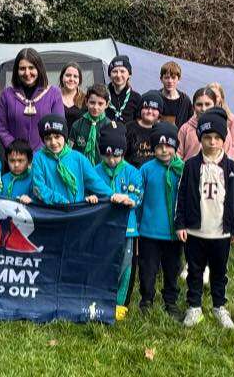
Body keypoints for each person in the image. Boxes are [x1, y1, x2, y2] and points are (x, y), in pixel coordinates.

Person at [175, 109, 234, 329]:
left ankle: (219, 305)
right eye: (207, 138)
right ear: (200, 139)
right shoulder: (191, 166)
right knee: (194, 270)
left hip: (221, 231)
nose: (212, 142)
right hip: (196, 231)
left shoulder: (231, 167)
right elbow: (182, 195)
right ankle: (194, 307)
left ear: (223, 139)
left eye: (217, 138)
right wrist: (181, 223)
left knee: (219, 271)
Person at [94, 123, 142, 321]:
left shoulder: (132, 172)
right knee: (102, 263)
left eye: (116, 155)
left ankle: (119, 303)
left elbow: (138, 195)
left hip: (127, 229)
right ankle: (100, 299)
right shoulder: (95, 171)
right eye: (107, 155)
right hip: (102, 228)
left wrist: (129, 199)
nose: (112, 160)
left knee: (125, 265)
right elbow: (91, 192)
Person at [137, 122, 184, 317]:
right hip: (149, 231)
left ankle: (170, 300)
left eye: (168, 146)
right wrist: (138, 225)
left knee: (172, 268)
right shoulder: (146, 169)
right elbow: (138, 198)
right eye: (159, 146)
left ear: (176, 146)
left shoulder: (183, 169)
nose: (164, 150)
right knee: (148, 268)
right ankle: (146, 298)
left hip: (173, 232)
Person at [31, 114, 113, 205]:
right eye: (48, 138)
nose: (53, 142)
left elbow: (95, 182)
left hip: (75, 212)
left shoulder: (78, 158)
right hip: (51, 212)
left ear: (64, 136)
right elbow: (38, 188)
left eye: (57, 137)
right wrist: (62, 201)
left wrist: (113, 195)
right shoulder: (39, 158)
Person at [0, 48, 64, 152]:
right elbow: (1, 127)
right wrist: (16, 149)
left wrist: (41, 151)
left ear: (39, 68)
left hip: (45, 156)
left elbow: (58, 126)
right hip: (15, 158)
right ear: (16, 70)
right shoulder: (7, 94)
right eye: (22, 68)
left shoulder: (54, 93)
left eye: (31, 67)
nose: (27, 73)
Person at [69, 84, 111, 166]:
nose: (95, 107)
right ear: (86, 102)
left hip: (102, 171)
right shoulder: (77, 125)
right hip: (81, 170)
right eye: (92, 102)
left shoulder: (110, 126)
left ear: (107, 104)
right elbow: (69, 150)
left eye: (100, 104)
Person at [125, 91, 162, 167]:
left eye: (154, 108)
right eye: (146, 107)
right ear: (140, 109)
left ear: (159, 112)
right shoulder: (129, 128)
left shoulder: (162, 130)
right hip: (132, 173)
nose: (149, 111)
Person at [105, 55, 142, 124]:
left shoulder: (136, 98)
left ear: (129, 75)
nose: (118, 75)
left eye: (122, 71)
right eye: (115, 71)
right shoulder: (102, 95)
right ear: (109, 75)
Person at [206, 82, 234, 158]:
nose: (213, 99)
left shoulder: (230, 118)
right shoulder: (201, 116)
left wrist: (229, 159)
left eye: (216, 96)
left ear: (221, 98)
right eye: (211, 96)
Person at [158, 61, 193, 129]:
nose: (170, 81)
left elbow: (190, 124)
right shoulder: (156, 97)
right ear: (161, 79)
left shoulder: (185, 101)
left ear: (179, 79)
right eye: (167, 77)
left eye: (173, 78)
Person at [59, 63, 85, 131]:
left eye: (75, 76)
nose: (71, 79)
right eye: (68, 75)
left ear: (79, 80)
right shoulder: (54, 97)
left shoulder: (86, 99)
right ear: (62, 77)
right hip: (57, 140)